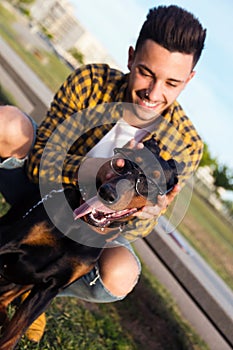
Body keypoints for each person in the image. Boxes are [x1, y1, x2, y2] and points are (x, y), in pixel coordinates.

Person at [0, 5, 206, 343]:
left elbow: (135, 229)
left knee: (121, 274)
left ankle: (29, 291)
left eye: (171, 82)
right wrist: (94, 171)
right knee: (7, 124)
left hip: (98, 229)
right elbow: (39, 163)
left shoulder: (186, 144)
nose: (153, 94)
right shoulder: (91, 80)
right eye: (146, 73)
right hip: (38, 191)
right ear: (130, 58)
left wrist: (144, 211)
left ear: (189, 80)